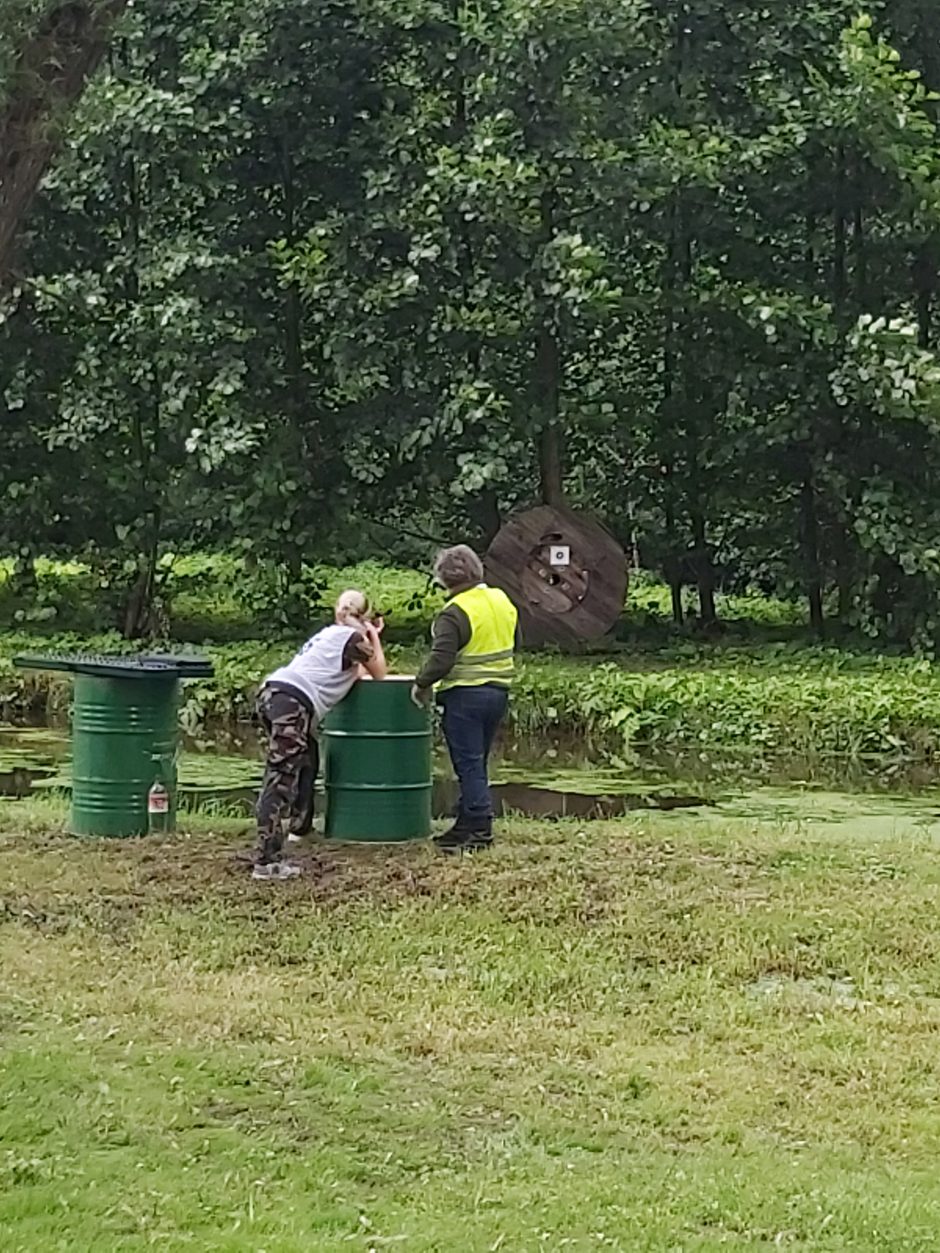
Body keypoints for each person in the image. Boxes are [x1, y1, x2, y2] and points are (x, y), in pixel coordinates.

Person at [252, 590, 387, 880]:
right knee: (281, 777)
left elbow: (356, 673)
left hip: (273, 692)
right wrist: (374, 635)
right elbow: (379, 671)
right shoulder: (351, 639)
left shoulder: (329, 635)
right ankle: (267, 861)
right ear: (363, 618)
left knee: (307, 757)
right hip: (293, 701)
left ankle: (300, 827)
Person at [412, 546, 518, 854]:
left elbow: (441, 659)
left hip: (464, 695)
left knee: (468, 764)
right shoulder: (501, 600)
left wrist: (421, 684)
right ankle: (465, 823)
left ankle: (480, 829)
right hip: (498, 691)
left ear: (445, 578)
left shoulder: (455, 612)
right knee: (477, 762)